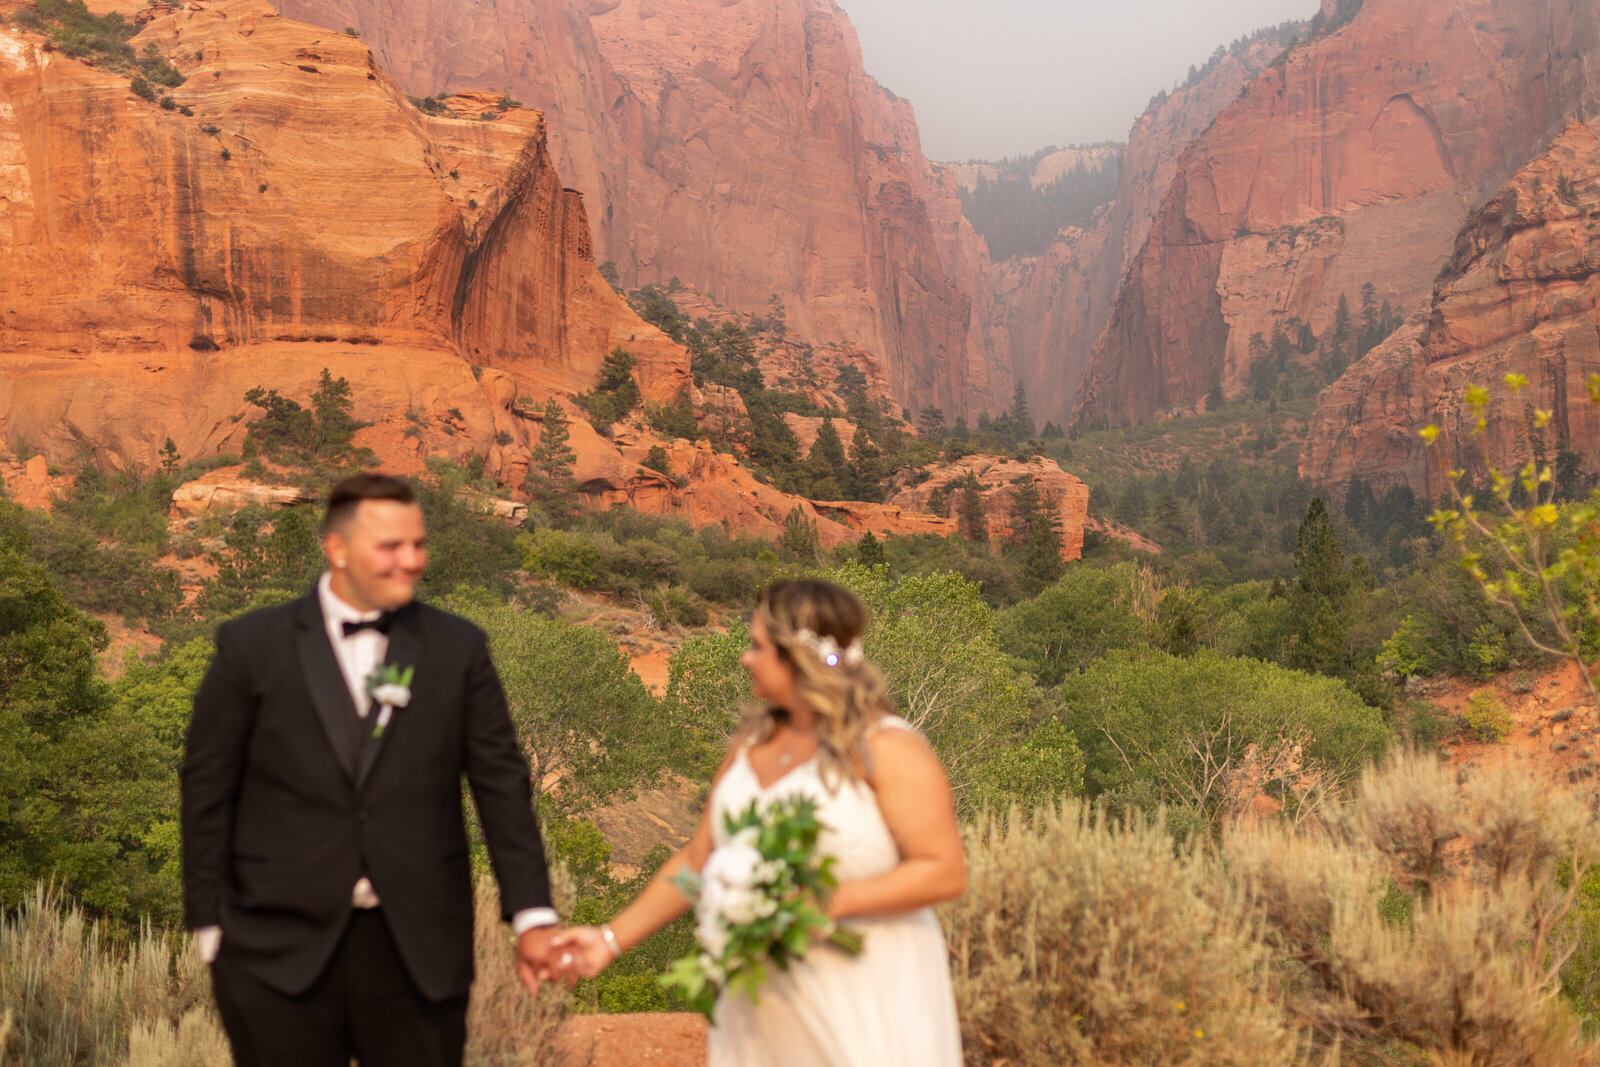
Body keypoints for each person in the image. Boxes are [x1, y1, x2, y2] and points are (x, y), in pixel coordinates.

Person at [181, 473, 562, 1067]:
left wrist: (533, 914)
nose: (411, 560)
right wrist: (209, 924)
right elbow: (207, 787)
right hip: (274, 949)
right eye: (391, 546)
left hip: (419, 951)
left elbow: (500, 785)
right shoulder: (251, 646)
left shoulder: (458, 648)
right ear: (336, 548)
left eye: (419, 544)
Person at [554, 578, 966, 1066]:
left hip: (862, 989)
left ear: (797, 657)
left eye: (757, 646)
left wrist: (826, 903)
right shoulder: (749, 748)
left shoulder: (888, 749)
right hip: (760, 1004)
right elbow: (696, 863)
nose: (745, 658)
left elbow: (944, 869)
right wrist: (608, 940)